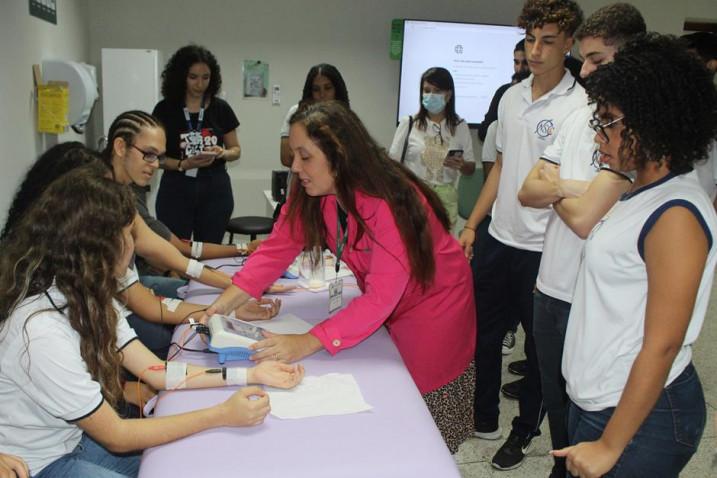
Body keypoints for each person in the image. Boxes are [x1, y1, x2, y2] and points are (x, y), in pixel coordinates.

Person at [206, 100, 476, 453]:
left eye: (305, 156)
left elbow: (380, 299)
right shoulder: (315, 190)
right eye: (294, 155)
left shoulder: (387, 200)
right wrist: (220, 307)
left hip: (434, 305)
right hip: (391, 298)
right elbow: (278, 247)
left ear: (339, 155)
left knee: (418, 417)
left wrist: (303, 343)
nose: (295, 166)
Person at [0, 167, 304, 477]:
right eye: (128, 235)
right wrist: (221, 414)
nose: (133, 246)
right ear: (100, 247)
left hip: (70, 443)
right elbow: (117, 436)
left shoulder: (87, 297)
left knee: (189, 461)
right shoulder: (41, 333)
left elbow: (154, 371)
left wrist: (250, 374)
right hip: (37, 466)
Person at [551, 33, 717, 477]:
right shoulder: (637, 190)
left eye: (607, 121)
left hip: (643, 417)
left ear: (650, 121)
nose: (597, 134)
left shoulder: (676, 213)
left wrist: (609, 445)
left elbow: (663, 343)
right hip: (600, 397)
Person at [516, 4, 646, 476]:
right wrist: (575, 188)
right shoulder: (579, 117)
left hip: (596, 299)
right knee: (555, 398)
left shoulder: (641, 130)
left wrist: (558, 189)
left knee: (590, 409)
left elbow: (587, 220)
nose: (584, 69)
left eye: (596, 59)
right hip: (551, 288)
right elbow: (528, 189)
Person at [459, 0, 586, 470]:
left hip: (544, 250)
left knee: (538, 352)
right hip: (499, 238)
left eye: (547, 41)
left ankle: (522, 431)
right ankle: (483, 416)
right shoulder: (511, 97)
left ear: (568, 42)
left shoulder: (580, 106)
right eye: (530, 39)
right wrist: (474, 224)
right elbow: (501, 169)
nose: (535, 50)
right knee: (484, 336)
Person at [153, 44, 241, 244]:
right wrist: (183, 164)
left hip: (215, 187)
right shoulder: (164, 109)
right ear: (180, 76)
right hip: (176, 186)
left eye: (205, 77)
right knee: (175, 250)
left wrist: (222, 153)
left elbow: (236, 150)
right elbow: (156, 158)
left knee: (209, 251)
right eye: (193, 77)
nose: (200, 84)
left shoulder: (221, 108)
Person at [389, 67, 475, 226]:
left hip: (445, 201)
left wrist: (462, 165)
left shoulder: (460, 126)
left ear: (448, 95)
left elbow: (470, 167)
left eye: (437, 91)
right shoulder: (408, 124)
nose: (430, 95)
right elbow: (392, 165)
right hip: (414, 197)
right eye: (426, 90)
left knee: (441, 248)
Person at [279, 63, 350, 168]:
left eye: (328, 88)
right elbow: (286, 158)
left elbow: (350, 158)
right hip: (302, 179)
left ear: (337, 90)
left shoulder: (346, 117)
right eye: (316, 90)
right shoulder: (297, 113)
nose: (322, 94)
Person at [476, 40, 529, 143]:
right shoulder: (504, 91)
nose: (520, 69)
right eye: (516, 62)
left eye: (525, 63)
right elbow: (483, 132)